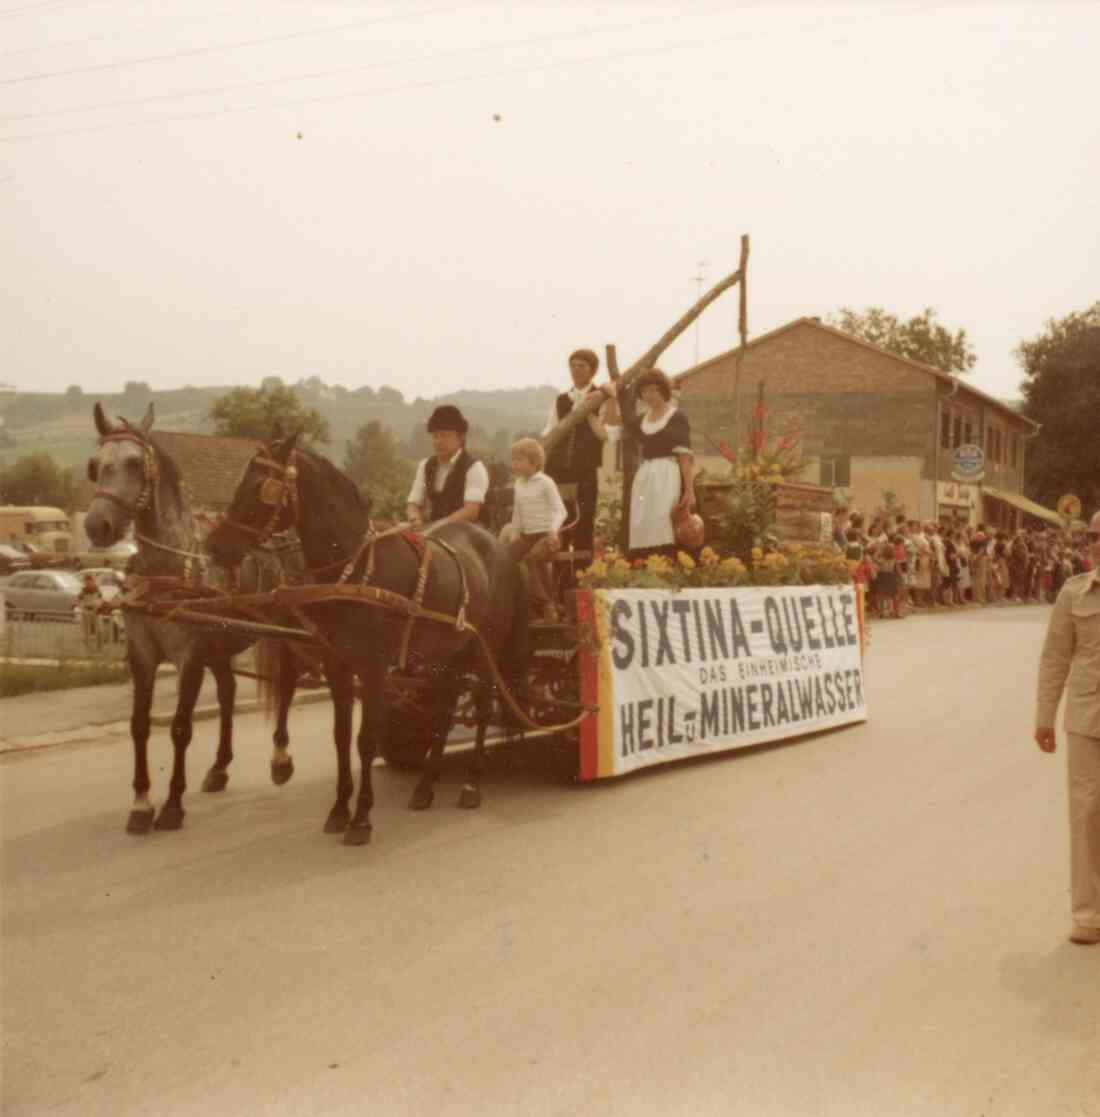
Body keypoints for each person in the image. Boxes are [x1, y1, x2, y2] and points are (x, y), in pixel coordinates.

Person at [1034, 510, 1100, 945]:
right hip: (1087, 718)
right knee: (1086, 813)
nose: (1097, 543)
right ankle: (1089, 914)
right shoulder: (1074, 593)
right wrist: (1044, 716)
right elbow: (1056, 655)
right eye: (1094, 537)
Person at [607, 369, 694, 560]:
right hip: (645, 476)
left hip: (668, 475)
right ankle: (645, 568)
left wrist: (689, 490)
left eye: (654, 390)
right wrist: (611, 398)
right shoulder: (641, 420)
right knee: (643, 523)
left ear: (663, 390)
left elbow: (684, 457)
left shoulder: (677, 417)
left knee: (664, 522)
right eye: (645, 391)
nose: (650, 395)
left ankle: (667, 566)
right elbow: (613, 430)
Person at [542, 348, 618, 557]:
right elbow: (550, 433)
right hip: (558, 471)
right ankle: (560, 581)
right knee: (560, 524)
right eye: (573, 365)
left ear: (592, 370)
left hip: (585, 473)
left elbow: (604, 435)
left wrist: (590, 407)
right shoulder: (561, 400)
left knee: (584, 524)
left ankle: (580, 580)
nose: (576, 370)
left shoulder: (602, 396)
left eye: (581, 366)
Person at [506, 438, 567, 622]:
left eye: (519, 460)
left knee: (533, 558)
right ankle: (519, 603)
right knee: (505, 558)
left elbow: (560, 510)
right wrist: (513, 539)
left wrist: (553, 531)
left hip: (547, 536)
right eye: (513, 460)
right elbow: (517, 515)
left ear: (533, 461)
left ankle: (547, 604)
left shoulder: (545, 482)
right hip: (527, 536)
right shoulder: (518, 484)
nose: (514, 464)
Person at [406, 405, 490, 528]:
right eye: (435, 436)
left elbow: (471, 511)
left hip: (468, 533)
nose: (438, 441)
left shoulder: (474, 468)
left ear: (460, 438)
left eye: (444, 435)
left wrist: (436, 526)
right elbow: (413, 502)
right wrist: (414, 517)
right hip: (433, 531)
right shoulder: (425, 465)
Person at [76, 572, 102, 647]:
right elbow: (78, 601)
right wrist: (82, 609)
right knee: (86, 631)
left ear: (92, 581)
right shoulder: (83, 591)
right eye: (86, 582)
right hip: (86, 611)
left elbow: (100, 600)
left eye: (89, 581)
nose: (88, 583)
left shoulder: (97, 590)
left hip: (96, 611)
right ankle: (87, 647)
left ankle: (99, 647)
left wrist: (97, 607)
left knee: (99, 630)